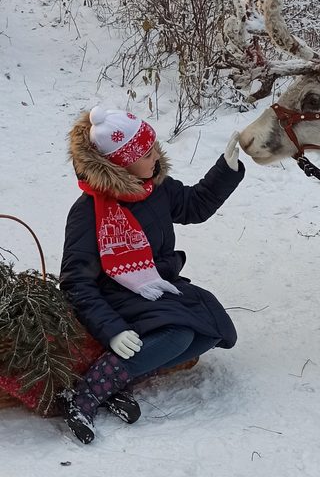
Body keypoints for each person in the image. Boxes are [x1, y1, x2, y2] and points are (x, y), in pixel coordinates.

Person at [59, 106, 244, 444]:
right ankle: (85, 392)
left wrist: (226, 170)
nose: (156, 157)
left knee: (211, 330)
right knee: (178, 335)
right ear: (119, 162)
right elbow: (76, 283)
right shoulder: (88, 213)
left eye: (154, 147)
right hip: (113, 296)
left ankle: (117, 379)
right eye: (145, 153)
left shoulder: (154, 187)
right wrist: (112, 330)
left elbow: (194, 206)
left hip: (155, 286)